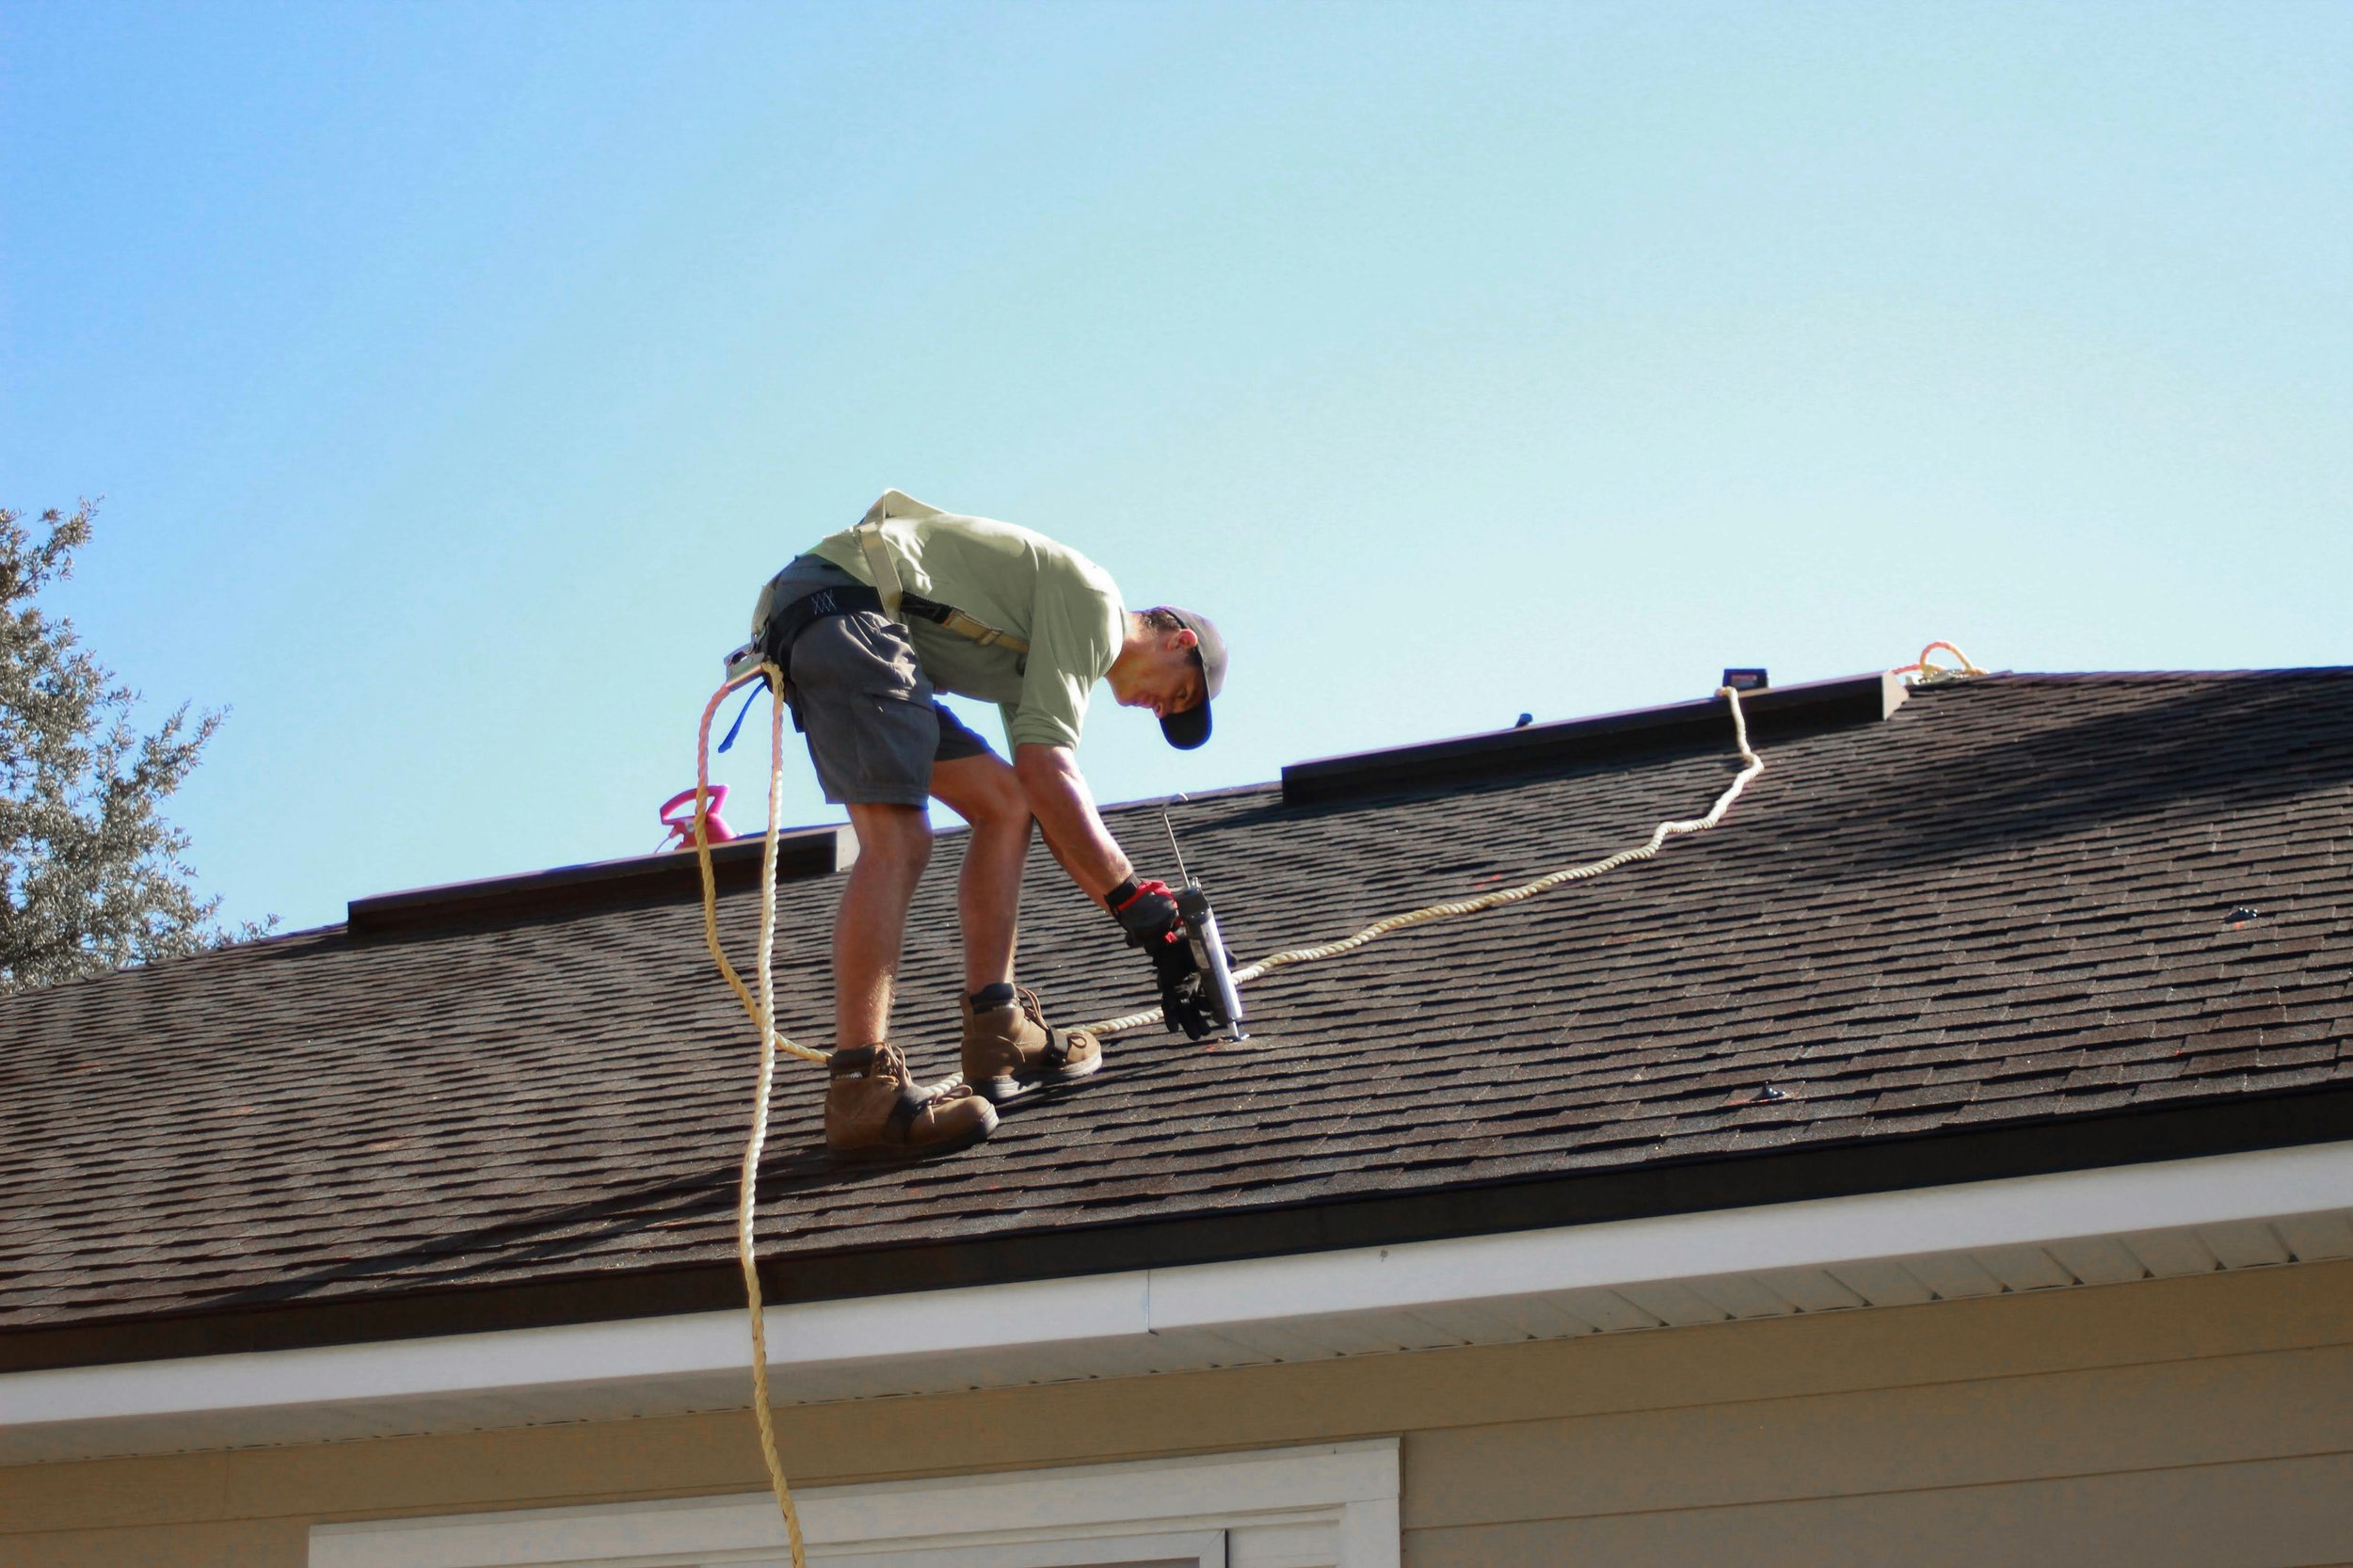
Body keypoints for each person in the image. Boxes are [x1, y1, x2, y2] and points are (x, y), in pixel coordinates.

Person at [744, 489, 1229, 1160]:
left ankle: (997, 1028)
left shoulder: (1046, 650)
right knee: (898, 839)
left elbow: (1040, 790)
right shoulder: (1094, 603)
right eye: (1177, 691)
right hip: (845, 611)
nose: (1159, 707)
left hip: (857, 627)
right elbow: (1054, 770)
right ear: (1179, 639)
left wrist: (1141, 915)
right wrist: (1139, 905)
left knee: (1005, 805)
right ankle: (860, 1089)